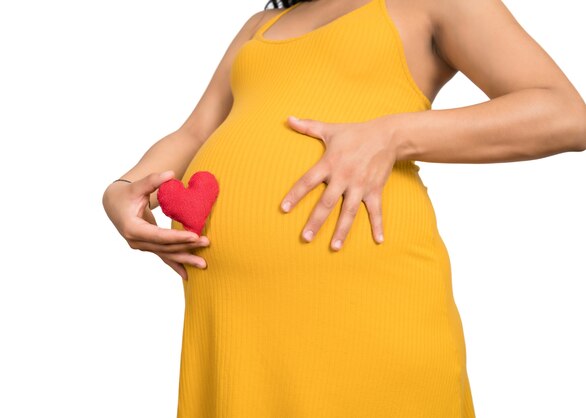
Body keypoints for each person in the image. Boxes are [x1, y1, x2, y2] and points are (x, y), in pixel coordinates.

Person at [102, 0, 586, 416]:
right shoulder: (259, 27)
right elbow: (194, 132)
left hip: (365, 298)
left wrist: (391, 134)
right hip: (236, 321)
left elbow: (564, 113)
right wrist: (123, 188)